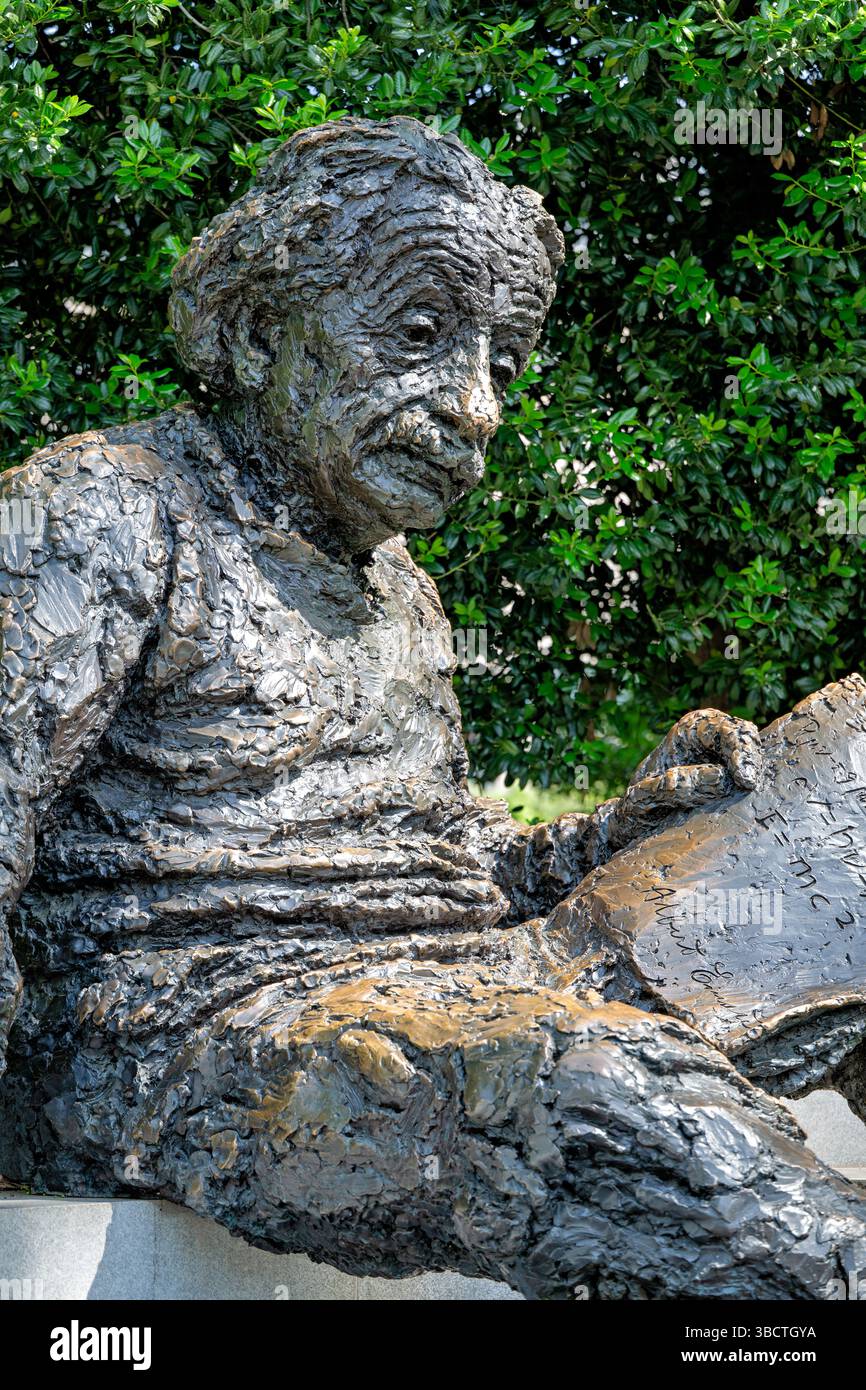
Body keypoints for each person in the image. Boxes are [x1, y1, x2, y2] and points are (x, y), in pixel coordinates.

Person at [0, 118, 862, 1298]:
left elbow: (446, 860)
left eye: (501, 365)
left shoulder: (399, 586)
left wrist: (618, 835)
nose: (476, 408)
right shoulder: (103, 509)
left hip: (471, 986)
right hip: (204, 1037)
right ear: (259, 332)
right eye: (417, 335)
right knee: (573, 1095)